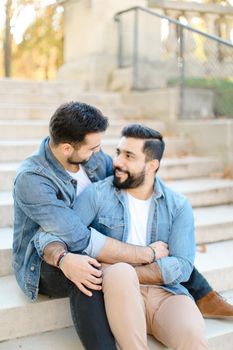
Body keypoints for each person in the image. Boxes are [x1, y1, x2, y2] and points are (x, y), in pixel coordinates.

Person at [13, 102, 233, 350]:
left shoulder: (93, 159)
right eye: (94, 147)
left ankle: (205, 296)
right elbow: (75, 236)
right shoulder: (32, 179)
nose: (104, 155)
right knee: (87, 273)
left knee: (174, 256)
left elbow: (130, 181)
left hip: (90, 240)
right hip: (47, 258)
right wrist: (144, 254)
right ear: (67, 148)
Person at [71, 124, 209, 349]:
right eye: (118, 153)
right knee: (121, 274)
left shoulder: (178, 205)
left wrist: (118, 267)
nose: (117, 162)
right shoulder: (97, 195)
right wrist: (128, 270)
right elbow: (69, 236)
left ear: (151, 165)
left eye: (129, 156)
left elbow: (183, 266)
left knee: (193, 338)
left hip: (166, 294)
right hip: (118, 296)